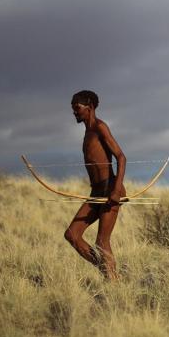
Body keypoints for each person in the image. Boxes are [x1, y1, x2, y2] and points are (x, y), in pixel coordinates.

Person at [63, 90, 126, 280]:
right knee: (72, 235)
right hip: (96, 191)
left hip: (110, 190)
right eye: (73, 109)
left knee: (102, 241)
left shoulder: (100, 127)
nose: (74, 112)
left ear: (89, 106)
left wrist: (116, 191)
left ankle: (112, 282)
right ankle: (107, 271)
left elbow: (121, 157)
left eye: (77, 108)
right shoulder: (87, 132)